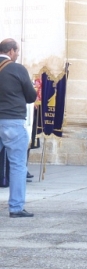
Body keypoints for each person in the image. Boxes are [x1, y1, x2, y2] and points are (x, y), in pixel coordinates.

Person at [0, 38, 37, 217]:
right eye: (18, 51)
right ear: (11, 51)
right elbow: (31, 96)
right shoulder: (17, 68)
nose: (18, 54)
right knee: (17, 165)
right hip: (12, 120)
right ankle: (15, 208)